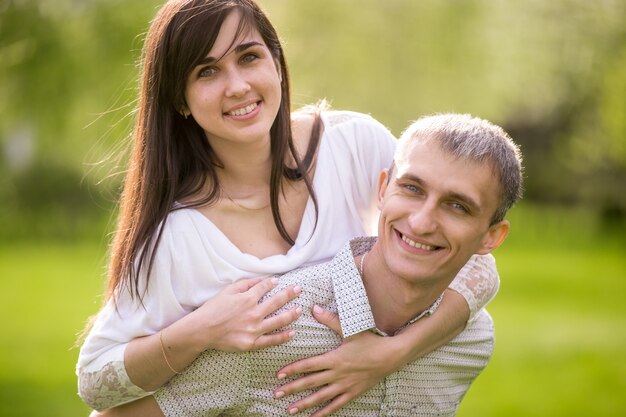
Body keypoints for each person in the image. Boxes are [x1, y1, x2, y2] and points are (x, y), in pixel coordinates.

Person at [76, 1, 501, 415]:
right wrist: (202, 329)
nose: (238, 85)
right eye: (207, 71)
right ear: (180, 100)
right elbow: (96, 383)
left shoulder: (353, 144)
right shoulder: (180, 238)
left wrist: (389, 355)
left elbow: (472, 261)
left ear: (277, 64)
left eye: (249, 57)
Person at [95, 112, 523, 417]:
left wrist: (394, 352)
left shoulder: (471, 340)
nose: (423, 221)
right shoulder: (279, 325)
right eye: (411, 189)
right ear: (382, 189)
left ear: (491, 237)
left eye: (457, 206)